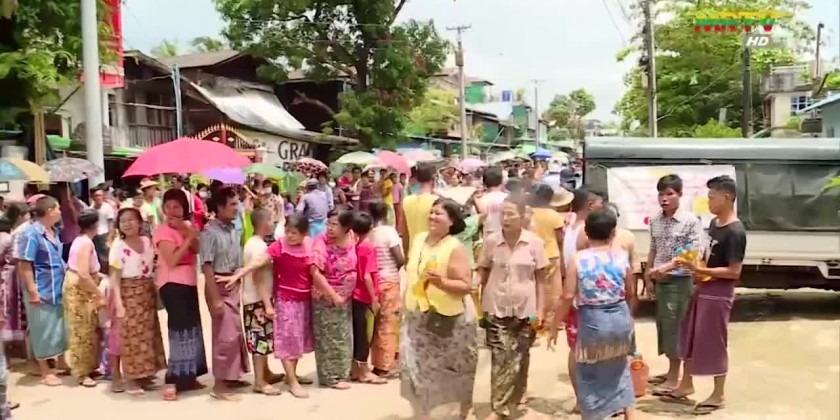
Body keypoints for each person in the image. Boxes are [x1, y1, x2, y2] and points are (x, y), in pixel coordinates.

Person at [663, 175, 746, 415]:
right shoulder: (714, 224)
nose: (708, 202)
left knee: (714, 343)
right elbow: (708, 257)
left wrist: (700, 271)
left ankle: (718, 394)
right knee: (690, 336)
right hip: (703, 288)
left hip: (719, 294)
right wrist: (697, 269)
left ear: (727, 198)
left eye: (712, 197)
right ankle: (686, 384)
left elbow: (734, 271)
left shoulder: (735, 231)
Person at [220, 214, 319, 399]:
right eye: (288, 231)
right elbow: (258, 263)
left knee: (298, 340)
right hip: (286, 301)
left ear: (304, 233)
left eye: (294, 233)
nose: (290, 236)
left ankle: (291, 376)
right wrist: (238, 275)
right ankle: (292, 381)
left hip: (304, 301)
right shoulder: (278, 246)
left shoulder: (309, 245)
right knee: (287, 341)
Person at [550, 209, 636, 420]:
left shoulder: (579, 259)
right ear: (613, 232)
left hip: (593, 321)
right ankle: (630, 415)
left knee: (588, 374)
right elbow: (631, 292)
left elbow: (568, 296)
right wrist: (628, 318)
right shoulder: (621, 256)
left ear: (586, 233)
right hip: (620, 317)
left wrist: (554, 324)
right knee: (620, 368)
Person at [401, 198, 477, 420]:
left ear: (451, 221)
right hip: (417, 315)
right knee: (416, 367)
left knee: (453, 368)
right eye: (432, 212)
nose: (432, 217)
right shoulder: (419, 240)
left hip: (447, 319)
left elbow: (465, 286)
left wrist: (441, 282)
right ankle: (425, 412)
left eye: (439, 214)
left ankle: (463, 409)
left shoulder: (455, 247)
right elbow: (410, 272)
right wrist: (403, 302)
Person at [478, 195, 549, 420]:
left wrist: (541, 311)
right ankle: (498, 407)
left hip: (526, 309)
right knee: (501, 356)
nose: (505, 219)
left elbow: (541, 280)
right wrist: (478, 302)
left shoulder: (535, 243)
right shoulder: (491, 242)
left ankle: (517, 396)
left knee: (520, 355)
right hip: (495, 306)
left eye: (511, 214)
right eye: (503, 214)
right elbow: (483, 273)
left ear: (522, 216)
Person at [646, 175, 703, 393]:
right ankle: (671, 370)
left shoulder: (690, 221)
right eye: (661, 194)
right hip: (660, 281)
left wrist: (666, 268)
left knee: (677, 328)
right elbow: (653, 249)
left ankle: (674, 377)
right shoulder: (655, 221)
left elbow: (692, 253)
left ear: (680, 194)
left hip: (679, 281)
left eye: (669, 194)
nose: (664, 198)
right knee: (664, 326)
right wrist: (648, 276)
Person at [153, 189, 207, 401]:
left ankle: (189, 376)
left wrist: (189, 233)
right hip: (172, 284)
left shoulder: (186, 227)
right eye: (168, 206)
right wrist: (187, 238)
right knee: (178, 330)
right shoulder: (162, 231)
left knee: (192, 330)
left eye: (176, 206)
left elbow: (197, 249)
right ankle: (173, 379)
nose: (172, 211)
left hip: (189, 283)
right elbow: (172, 259)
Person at [108, 207, 166, 395]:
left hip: (146, 293)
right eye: (123, 221)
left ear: (140, 222)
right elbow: (115, 278)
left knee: (148, 335)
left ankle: (146, 375)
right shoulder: (118, 246)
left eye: (131, 219)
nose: (127, 224)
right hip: (128, 293)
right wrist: (119, 304)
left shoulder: (147, 241)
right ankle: (132, 379)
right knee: (131, 336)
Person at [201, 187, 251, 401]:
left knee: (235, 333)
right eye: (232, 204)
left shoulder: (234, 228)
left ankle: (232, 376)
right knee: (224, 336)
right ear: (219, 207)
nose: (236, 208)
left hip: (232, 284)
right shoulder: (209, 232)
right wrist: (215, 298)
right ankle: (220, 385)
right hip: (219, 286)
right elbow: (206, 266)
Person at [560, 188, 605, 413]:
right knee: (587, 352)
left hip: (575, 298)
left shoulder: (570, 228)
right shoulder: (585, 233)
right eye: (600, 204)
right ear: (590, 205)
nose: (602, 208)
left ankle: (582, 399)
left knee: (576, 349)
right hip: (586, 301)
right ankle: (588, 399)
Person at [18, 195, 68, 386]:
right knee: (42, 329)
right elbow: (25, 263)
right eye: (57, 208)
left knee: (59, 326)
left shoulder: (54, 231)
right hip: (41, 287)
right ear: (49, 211)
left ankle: (61, 361)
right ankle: (44, 370)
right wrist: (33, 290)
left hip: (57, 286)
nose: (60, 212)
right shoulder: (31, 233)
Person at [310, 209, 357, 390]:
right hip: (326, 298)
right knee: (328, 338)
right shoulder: (321, 243)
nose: (329, 228)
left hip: (345, 298)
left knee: (342, 336)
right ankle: (330, 377)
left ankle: (341, 372)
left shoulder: (352, 237)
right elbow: (315, 272)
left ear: (346, 228)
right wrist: (333, 295)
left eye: (334, 224)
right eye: (328, 223)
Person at [63, 209, 104, 387]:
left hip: (81, 284)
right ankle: (81, 372)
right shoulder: (85, 243)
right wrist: (98, 294)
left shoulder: (80, 240)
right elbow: (83, 274)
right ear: (95, 225)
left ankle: (89, 366)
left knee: (90, 329)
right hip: (80, 288)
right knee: (82, 330)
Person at [368, 201, 405, 377]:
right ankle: (385, 365)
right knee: (388, 323)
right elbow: (399, 258)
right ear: (387, 213)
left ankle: (377, 361)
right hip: (389, 281)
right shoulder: (389, 232)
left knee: (377, 323)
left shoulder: (370, 233)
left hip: (374, 282)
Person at [349, 212, 386, 384]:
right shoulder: (368, 248)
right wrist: (374, 299)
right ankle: (364, 371)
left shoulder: (355, 247)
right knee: (365, 335)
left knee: (358, 333)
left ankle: (355, 370)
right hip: (364, 297)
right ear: (370, 228)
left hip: (355, 295)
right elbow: (367, 276)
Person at [529, 184, 571, 332]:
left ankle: (534, 320)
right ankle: (551, 321)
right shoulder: (554, 216)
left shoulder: (528, 213)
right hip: (551, 254)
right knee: (553, 289)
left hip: (532, 255)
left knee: (535, 287)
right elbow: (560, 239)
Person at [398, 163, 437, 253]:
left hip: (413, 253)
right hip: (432, 254)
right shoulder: (437, 201)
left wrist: (406, 257)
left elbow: (405, 234)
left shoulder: (406, 201)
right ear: (434, 179)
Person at [476, 167, 508, 243]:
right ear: (502, 181)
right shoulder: (509, 198)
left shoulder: (479, 200)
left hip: (487, 237)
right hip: (506, 238)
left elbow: (476, 223)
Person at [90, 185, 116, 273]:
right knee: (97, 258)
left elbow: (111, 223)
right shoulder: (91, 209)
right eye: (96, 195)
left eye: (100, 195)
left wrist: (110, 237)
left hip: (105, 235)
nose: (98, 197)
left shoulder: (107, 207)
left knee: (107, 258)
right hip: (95, 236)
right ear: (92, 197)